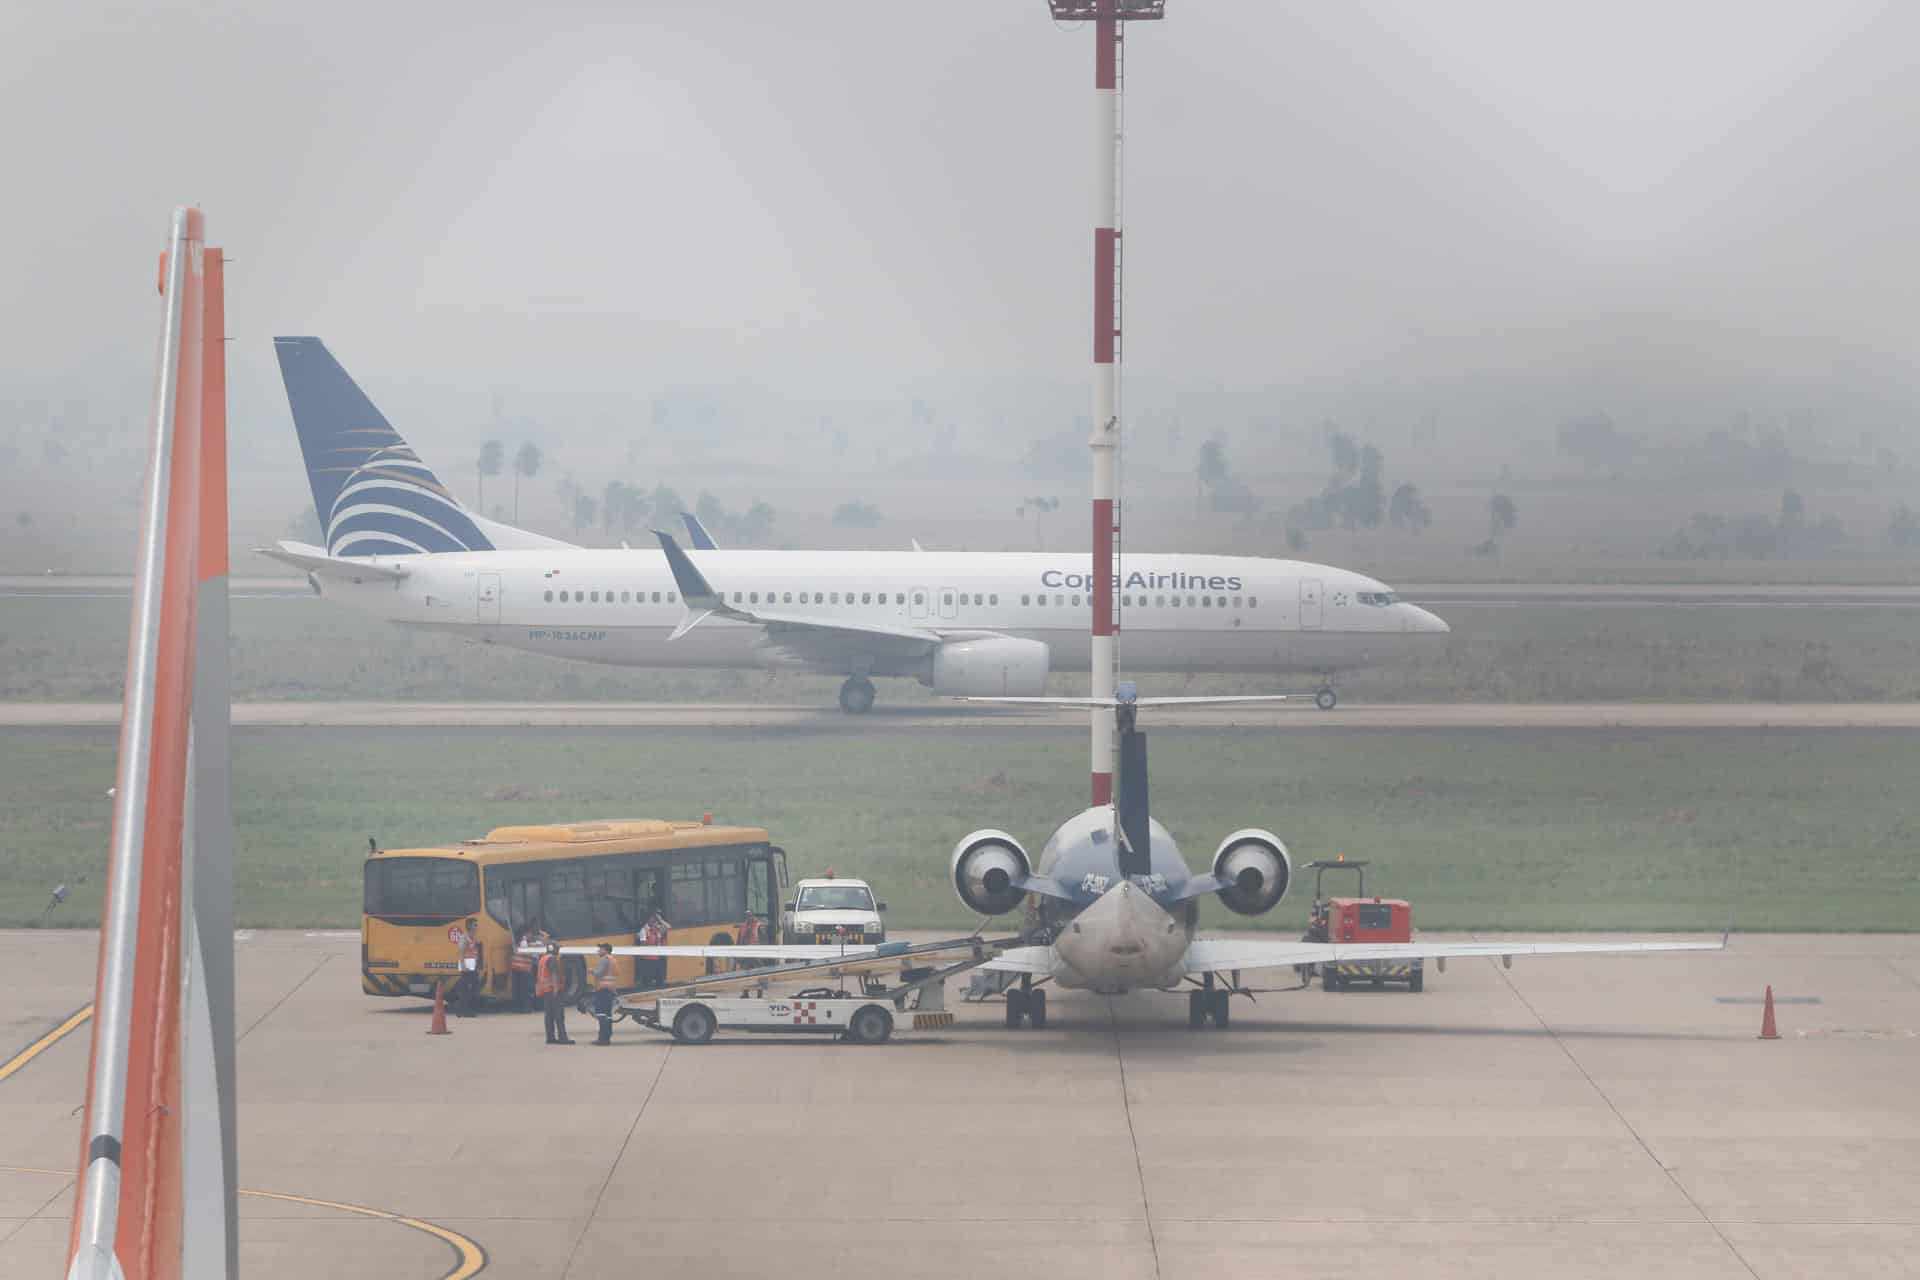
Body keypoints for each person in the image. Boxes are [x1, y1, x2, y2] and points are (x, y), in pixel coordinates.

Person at [536, 942, 573, 1045]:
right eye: (558, 949)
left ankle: (550, 1037)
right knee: (559, 1014)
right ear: (554, 949)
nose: (558, 951)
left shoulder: (543, 959)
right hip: (553, 990)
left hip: (546, 990)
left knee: (549, 1015)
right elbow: (554, 973)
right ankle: (562, 1038)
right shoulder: (552, 959)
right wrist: (556, 988)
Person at [452, 917, 483, 1016]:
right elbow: (461, 952)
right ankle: (463, 1009)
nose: (476, 927)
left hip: (472, 966)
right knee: (467, 989)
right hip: (466, 966)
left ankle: (465, 1009)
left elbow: (474, 952)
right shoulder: (464, 937)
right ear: (469, 926)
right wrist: (463, 965)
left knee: (474, 988)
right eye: (475, 925)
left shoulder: (474, 937)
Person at [590, 942, 618, 1045]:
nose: (598, 951)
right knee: (608, 1015)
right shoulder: (612, 959)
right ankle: (607, 1037)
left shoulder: (605, 959)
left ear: (605, 950)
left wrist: (592, 971)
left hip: (603, 990)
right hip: (610, 989)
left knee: (601, 1014)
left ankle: (602, 1039)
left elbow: (600, 973)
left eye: (600, 949)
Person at [637, 910, 672, 989]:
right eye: (653, 919)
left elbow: (668, 927)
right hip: (647, 959)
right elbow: (643, 945)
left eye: (655, 920)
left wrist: (660, 920)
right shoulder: (644, 930)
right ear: (648, 919)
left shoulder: (657, 930)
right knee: (648, 982)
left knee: (659, 980)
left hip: (657, 958)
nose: (654, 921)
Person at [509, 925, 537, 1012]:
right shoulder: (524, 942)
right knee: (525, 991)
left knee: (517, 991)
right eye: (530, 933)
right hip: (523, 970)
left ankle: (517, 1008)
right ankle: (525, 1008)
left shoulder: (517, 941)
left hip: (516, 969)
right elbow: (532, 955)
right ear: (526, 933)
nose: (532, 935)